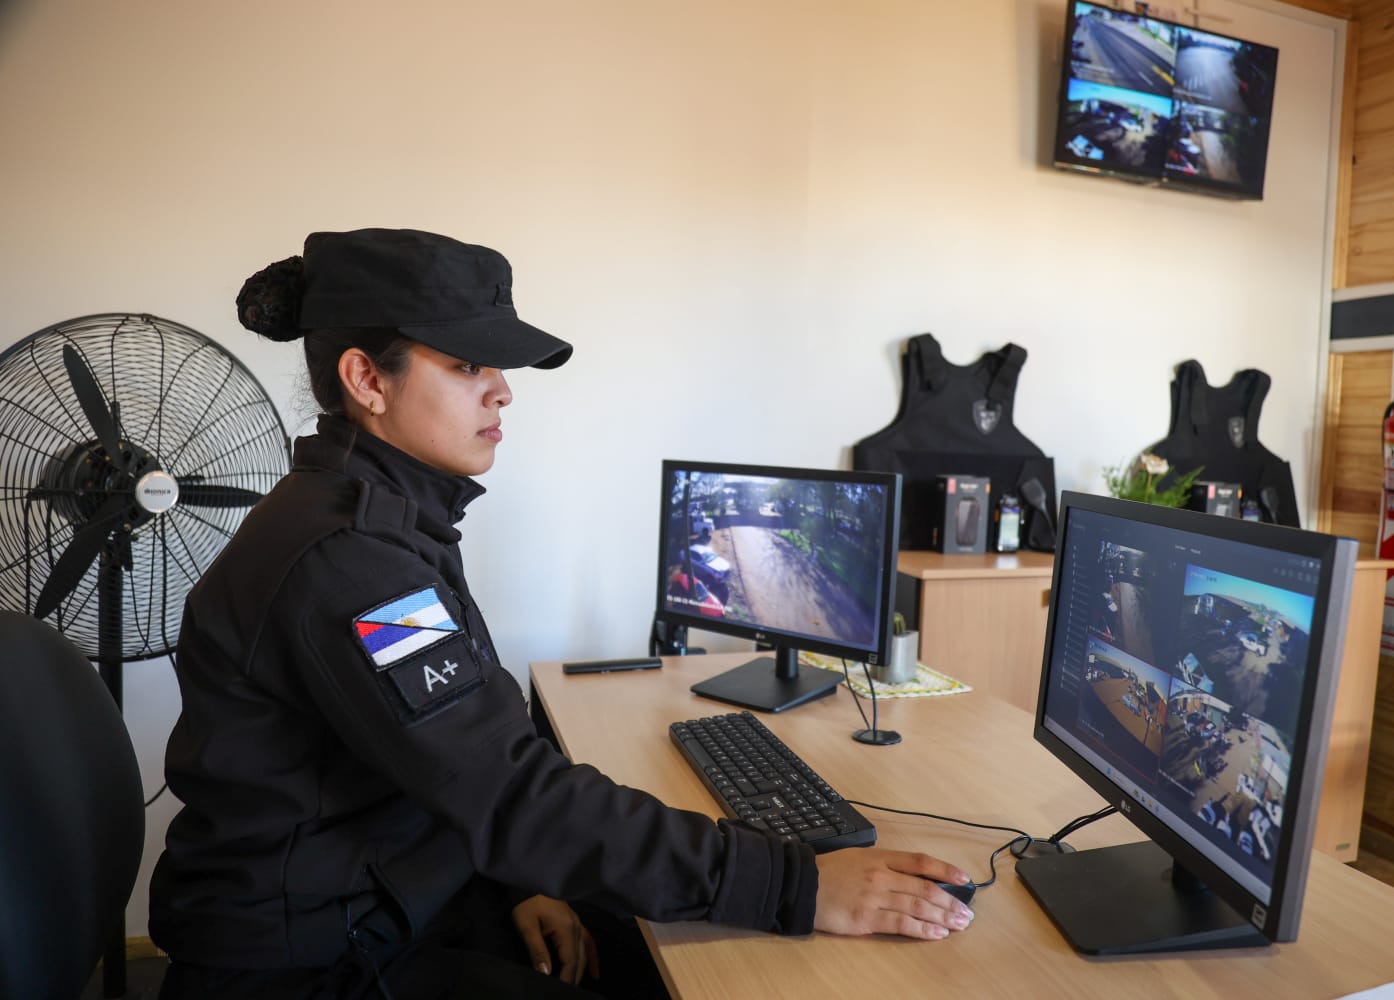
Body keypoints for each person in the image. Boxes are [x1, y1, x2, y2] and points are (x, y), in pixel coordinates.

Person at [148, 228, 974, 999]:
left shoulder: (382, 518)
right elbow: (512, 794)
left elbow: (458, 760)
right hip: (315, 960)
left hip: (388, 892)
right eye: (468, 365)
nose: (503, 391)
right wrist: (802, 885)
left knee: (631, 933)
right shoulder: (350, 561)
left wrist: (517, 881)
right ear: (368, 380)